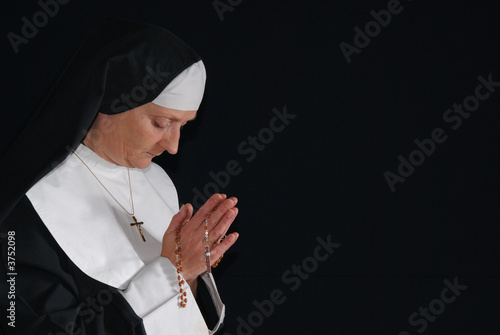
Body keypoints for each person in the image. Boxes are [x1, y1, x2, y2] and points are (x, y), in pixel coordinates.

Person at [0, 19, 239, 334]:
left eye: (184, 126)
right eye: (162, 122)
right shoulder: (25, 210)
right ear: (111, 103)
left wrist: (190, 273)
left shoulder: (158, 183)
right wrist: (171, 272)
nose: (173, 146)